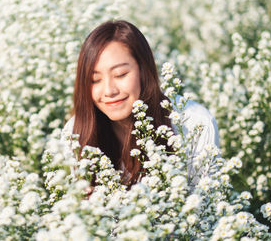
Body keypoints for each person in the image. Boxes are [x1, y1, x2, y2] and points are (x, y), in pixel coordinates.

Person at [62, 20, 219, 187]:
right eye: (95, 80)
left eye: (120, 74)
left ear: (143, 70)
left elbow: (204, 205)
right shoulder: (75, 133)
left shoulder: (194, 123)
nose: (109, 91)